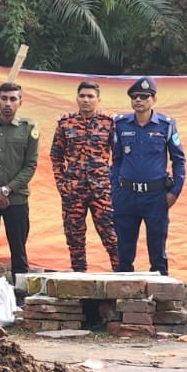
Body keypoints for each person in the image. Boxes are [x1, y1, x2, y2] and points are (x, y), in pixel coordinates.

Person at [111, 77, 186, 275]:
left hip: (156, 197)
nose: (139, 100)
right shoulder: (121, 124)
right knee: (124, 252)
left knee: (158, 252)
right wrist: (115, 190)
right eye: (135, 96)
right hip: (126, 195)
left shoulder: (166, 125)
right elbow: (116, 160)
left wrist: (175, 192)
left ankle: (161, 299)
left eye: (144, 96)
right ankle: (123, 297)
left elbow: (179, 160)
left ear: (153, 99)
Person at [0, 82, 39, 295]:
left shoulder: (28, 130)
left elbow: (30, 165)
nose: (8, 104)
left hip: (16, 200)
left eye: (13, 99)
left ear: (21, 102)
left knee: (18, 250)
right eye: (4, 98)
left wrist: (7, 190)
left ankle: (21, 296)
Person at [51, 80, 118, 271]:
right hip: (73, 191)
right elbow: (56, 156)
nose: (86, 100)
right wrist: (61, 184)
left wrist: (111, 181)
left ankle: (122, 279)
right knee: (75, 239)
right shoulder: (66, 124)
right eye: (82, 96)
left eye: (90, 96)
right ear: (77, 98)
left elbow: (118, 156)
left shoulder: (109, 123)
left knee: (112, 237)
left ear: (98, 99)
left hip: (102, 191)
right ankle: (79, 282)